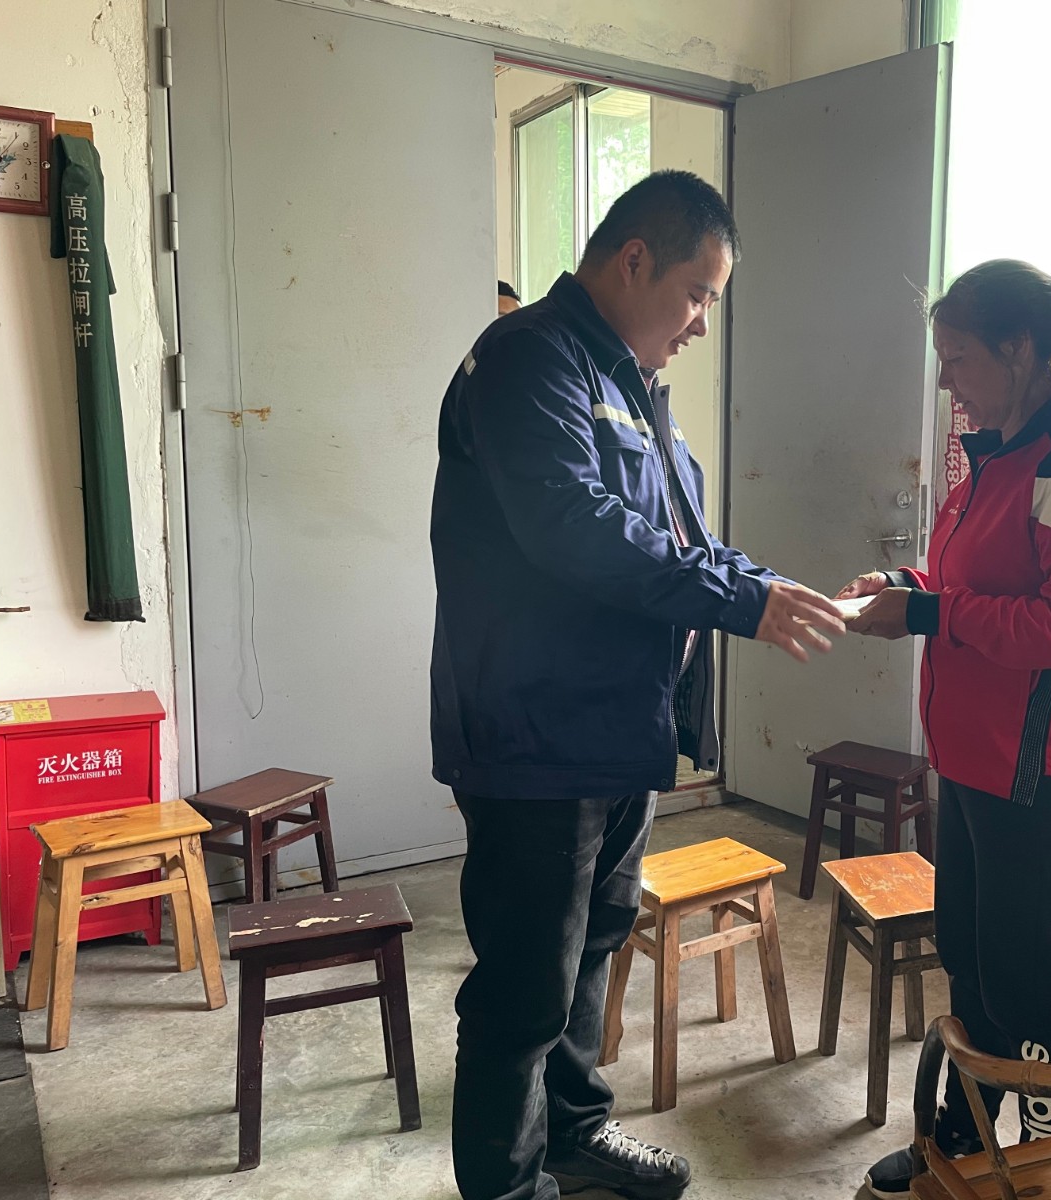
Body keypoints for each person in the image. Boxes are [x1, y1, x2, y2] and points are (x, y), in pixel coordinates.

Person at [430, 170, 845, 1200]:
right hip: (536, 734)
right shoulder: (530, 360)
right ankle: (506, 1186)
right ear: (633, 261)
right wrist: (740, 600)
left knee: (588, 954)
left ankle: (573, 1136)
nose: (701, 322)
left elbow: (677, 537)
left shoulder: (631, 385)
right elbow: (575, 528)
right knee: (526, 983)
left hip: (617, 729)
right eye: (697, 293)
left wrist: (762, 584)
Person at [839, 260, 1051, 1200]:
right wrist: (911, 591)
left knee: (1028, 992)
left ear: (1019, 351)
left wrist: (932, 614)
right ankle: (966, 1142)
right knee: (973, 973)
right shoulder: (997, 459)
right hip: (976, 765)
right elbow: (978, 591)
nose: (946, 382)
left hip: (1042, 779)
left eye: (958, 358)